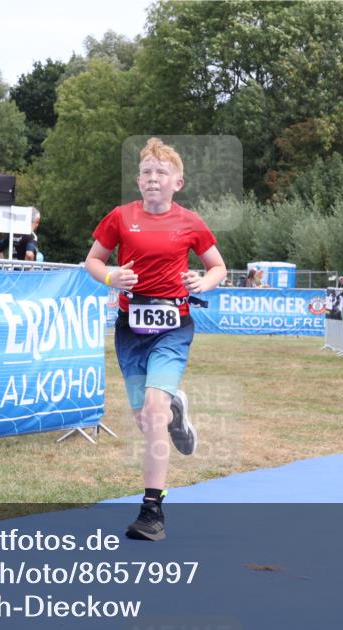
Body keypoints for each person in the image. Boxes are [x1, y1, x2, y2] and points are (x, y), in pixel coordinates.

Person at [84, 137, 226, 541]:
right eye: (146, 172)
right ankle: (174, 407)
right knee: (147, 422)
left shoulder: (190, 222)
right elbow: (93, 260)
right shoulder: (119, 217)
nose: (152, 178)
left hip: (173, 325)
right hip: (131, 329)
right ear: (138, 179)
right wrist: (112, 276)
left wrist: (204, 279)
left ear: (176, 182)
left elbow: (218, 267)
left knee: (153, 410)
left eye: (161, 172)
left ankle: (152, 511)